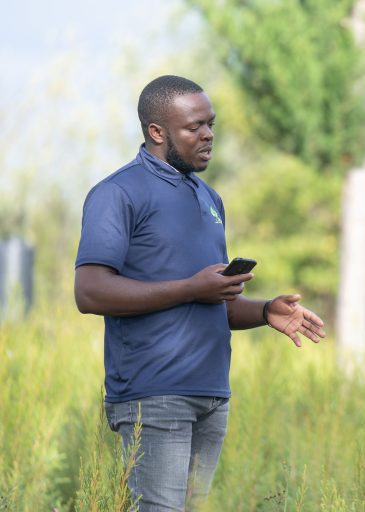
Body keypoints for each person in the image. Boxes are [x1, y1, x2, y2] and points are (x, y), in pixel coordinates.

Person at [74, 75, 326, 511]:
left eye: (211, 124)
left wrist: (266, 311)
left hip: (210, 394)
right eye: (195, 127)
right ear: (157, 132)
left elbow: (214, 303)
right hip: (153, 394)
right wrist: (192, 287)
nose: (208, 135)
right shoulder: (117, 193)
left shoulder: (209, 198)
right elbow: (90, 292)